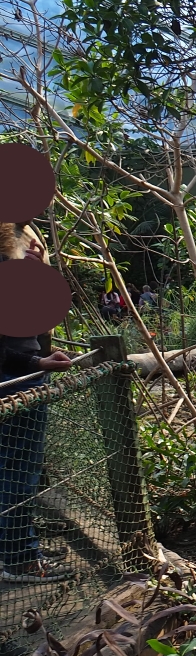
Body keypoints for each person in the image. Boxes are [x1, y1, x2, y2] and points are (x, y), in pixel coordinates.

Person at [0, 223, 74, 583]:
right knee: (16, 472)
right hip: (13, 385)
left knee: (11, 469)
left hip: (19, 377)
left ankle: (15, 549)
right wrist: (37, 363)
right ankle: (21, 559)